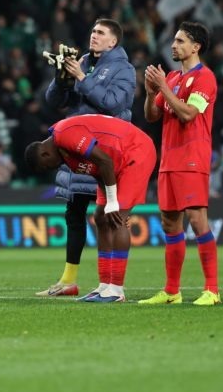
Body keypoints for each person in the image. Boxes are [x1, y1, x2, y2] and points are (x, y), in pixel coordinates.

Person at [37, 19, 135, 297]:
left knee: (108, 216)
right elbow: (55, 102)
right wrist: (61, 80)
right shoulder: (82, 61)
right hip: (78, 145)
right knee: (74, 213)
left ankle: (113, 284)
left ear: (113, 41)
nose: (94, 36)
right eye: (92, 31)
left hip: (106, 149)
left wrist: (82, 78)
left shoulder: (124, 69)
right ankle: (69, 280)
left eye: (100, 33)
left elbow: (114, 104)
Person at [24, 114, 157, 302]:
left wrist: (112, 202)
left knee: (117, 217)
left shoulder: (64, 135)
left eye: (47, 166)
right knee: (101, 217)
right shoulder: (64, 153)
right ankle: (104, 286)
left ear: (45, 154)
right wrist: (106, 203)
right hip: (113, 165)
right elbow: (97, 170)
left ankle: (117, 290)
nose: (51, 169)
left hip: (135, 151)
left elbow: (105, 161)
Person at [139, 21, 221, 306]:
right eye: (174, 41)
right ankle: (172, 291)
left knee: (197, 221)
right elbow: (152, 115)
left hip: (192, 158)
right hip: (169, 160)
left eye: (180, 41)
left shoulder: (205, 78)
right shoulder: (172, 78)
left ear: (195, 47)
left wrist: (163, 87)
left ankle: (212, 290)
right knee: (170, 223)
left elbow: (188, 114)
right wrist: (151, 92)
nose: (174, 45)